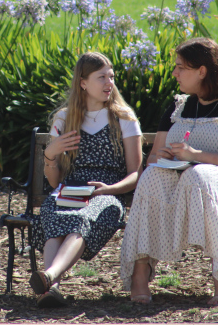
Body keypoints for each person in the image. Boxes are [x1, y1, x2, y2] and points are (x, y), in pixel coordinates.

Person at [119, 37, 218, 305]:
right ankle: (140, 271)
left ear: (202, 71)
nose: (175, 73)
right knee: (151, 177)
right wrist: (166, 155)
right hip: (181, 182)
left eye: (181, 67)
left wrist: (195, 157)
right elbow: (154, 157)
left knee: (199, 175)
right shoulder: (177, 106)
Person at [29, 52, 142, 308]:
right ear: (83, 83)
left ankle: (48, 278)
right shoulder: (65, 118)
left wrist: (109, 189)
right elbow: (54, 180)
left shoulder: (123, 117)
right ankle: (50, 289)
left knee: (81, 218)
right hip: (69, 191)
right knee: (51, 209)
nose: (109, 83)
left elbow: (136, 173)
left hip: (106, 194)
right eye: (101, 77)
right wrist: (50, 153)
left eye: (111, 77)